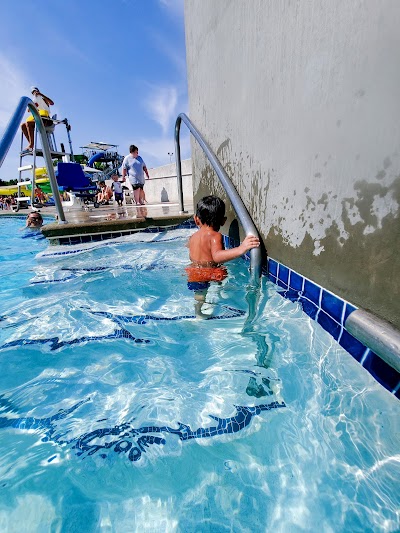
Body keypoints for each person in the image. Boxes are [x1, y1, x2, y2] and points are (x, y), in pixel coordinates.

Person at [186, 195, 260, 317]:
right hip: (209, 272)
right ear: (223, 221)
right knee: (222, 275)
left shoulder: (193, 237)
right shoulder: (215, 236)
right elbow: (217, 256)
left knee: (199, 294)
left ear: (196, 219)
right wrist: (241, 249)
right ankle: (219, 296)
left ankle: (198, 312)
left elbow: (192, 255)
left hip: (193, 271)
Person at [21, 87, 54, 152]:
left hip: (46, 120)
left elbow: (52, 103)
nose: (35, 93)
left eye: (35, 91)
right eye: (33, 92)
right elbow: (28, 110)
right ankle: (31, 144)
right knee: (23, 125)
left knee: (29, 123)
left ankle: (31, 145)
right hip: (39, 119)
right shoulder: (35, 100)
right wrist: (34, 105)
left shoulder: (43, 99)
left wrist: (41, 94)